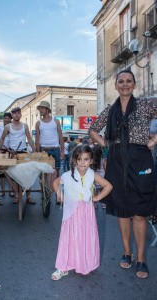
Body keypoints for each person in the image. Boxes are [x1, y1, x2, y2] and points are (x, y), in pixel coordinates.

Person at [89, 69, 157, 279]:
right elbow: (92, 130)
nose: (125, 84)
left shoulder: (146, 106)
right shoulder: (110, 110)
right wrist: (107, 144)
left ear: (134, 85)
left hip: (140, 158)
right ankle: (127, 252)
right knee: (122, 210)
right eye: (121, 81)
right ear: (116, 85)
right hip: (117, 161)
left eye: (129, 81)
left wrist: (153, 142)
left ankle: (141, 258)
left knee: (139, 211)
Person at [51, 145, 112, 280]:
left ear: (91, 161)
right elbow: (55, 183)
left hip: (87, 213)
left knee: (85, 237)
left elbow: (108, 186)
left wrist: (96, 198)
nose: (82, 162)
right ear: (74, 160)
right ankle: (62, 266)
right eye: (79, 159)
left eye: (86, 159)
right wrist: (60, 195)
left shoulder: (93, 174)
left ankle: (84, 264)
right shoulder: (67, 175)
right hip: (71, 213)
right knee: (69, 238)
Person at [0, 107, 36, 204]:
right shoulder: (8, 127)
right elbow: (1, 139)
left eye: (18, 113)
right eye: (14, 113)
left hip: (23, 152)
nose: (17, 115)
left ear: (21, 115)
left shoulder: (25, 126)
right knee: (14, 174)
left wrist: (35, 150)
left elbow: (29, 139)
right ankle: (17, 194)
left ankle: (29, 196)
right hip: (12, 153)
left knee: (28, 173)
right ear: (12, 116)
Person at [35, 101, 64, 179]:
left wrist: (62, 152)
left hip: (55, 150)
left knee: (56, 172)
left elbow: (61, 137)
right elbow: (37, 140)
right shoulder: (38, 123)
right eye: (39, 109)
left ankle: (55, 189)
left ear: (47, 110)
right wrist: (37, 152)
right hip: (43, 150)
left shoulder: (56, 121)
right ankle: (44, 191)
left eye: (42, 108)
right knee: (43, 173)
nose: (40, 110)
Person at [0, 112, 13, 197]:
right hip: (1, 150)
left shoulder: (13, 127)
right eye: (5, 118)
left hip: (11, 151)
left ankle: (10, 190)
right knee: (1, 172)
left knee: (10, 171)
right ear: (3, 119)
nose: (7, 119)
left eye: (8, 118)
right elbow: (0, 139)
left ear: (11, 119)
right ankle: (2, 190)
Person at [92, 144, 106, 209]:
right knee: (103, 190)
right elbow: (105, 168)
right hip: (102, 177)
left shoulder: (92, 160)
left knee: (95, 191)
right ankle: (103, 204)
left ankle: (95, 203)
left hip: (95, 177)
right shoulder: (103, 159)